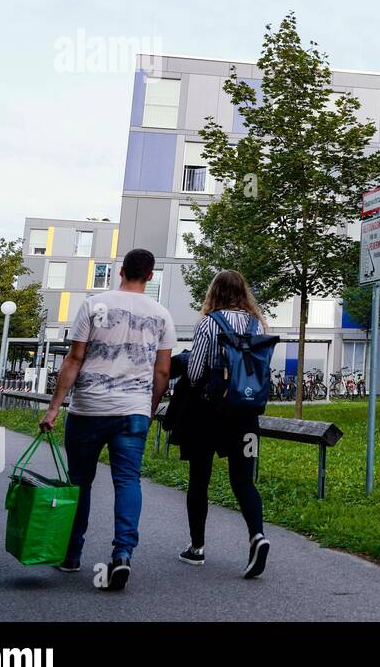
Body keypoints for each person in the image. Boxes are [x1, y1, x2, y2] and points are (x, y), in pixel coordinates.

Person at [40, 248, 175, 591]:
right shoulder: (161, 314)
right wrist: (149, 405)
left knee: (79, 481)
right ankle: (123, 555)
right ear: (150, 275)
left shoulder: (93, 304)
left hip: (89, 408)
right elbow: (162, 371)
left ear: (120, 271)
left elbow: (74, 359)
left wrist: (55, 407)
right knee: (128, 481)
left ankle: (71, 555)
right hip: (132, 411)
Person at [171, 270, 271, 578]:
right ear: (244, 293)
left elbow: (196, 373)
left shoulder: (209, 322)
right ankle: (257, 536)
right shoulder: (258, 324)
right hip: (246, 415)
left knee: (199, 479)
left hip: (207, 414)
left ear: (214, 291)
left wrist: (186, 360)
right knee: (244, 482)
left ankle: (197, 548)